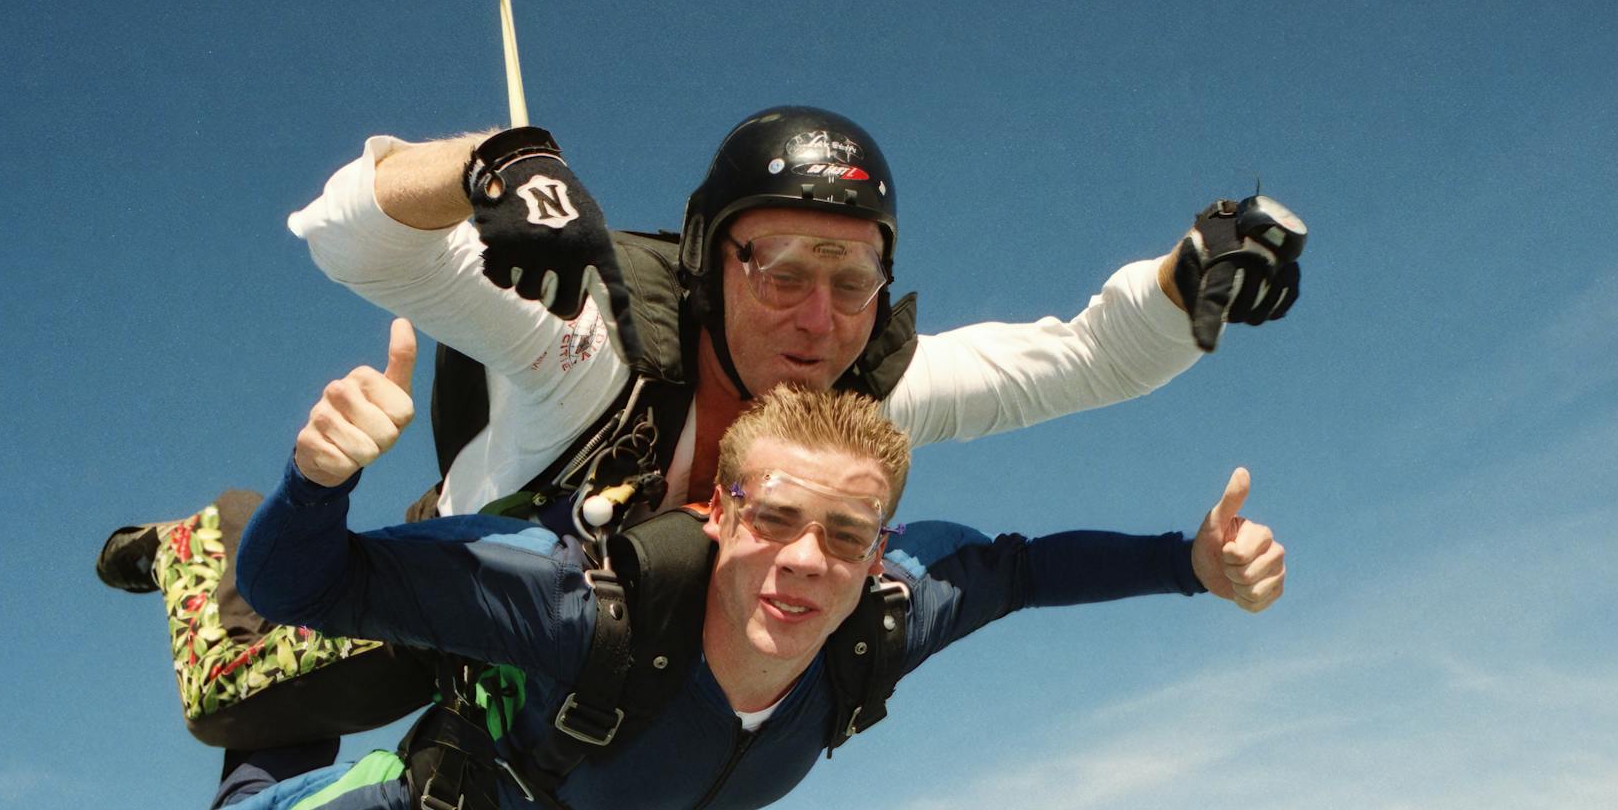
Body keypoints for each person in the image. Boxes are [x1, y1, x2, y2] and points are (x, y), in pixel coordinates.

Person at [99, 107, 1302, 749]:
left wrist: (1185, 276)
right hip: (460, 594)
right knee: (239, 701)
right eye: (777, 266)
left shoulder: (863, 403)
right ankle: (205, 536)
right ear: (703, 257)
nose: (817, 316)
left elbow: (1078, 360)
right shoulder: (585, 338)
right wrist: (489, 165)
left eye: (852, 276)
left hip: (613, 647)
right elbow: (347, 236)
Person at [179, 327, 1286, 810]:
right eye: (774, 519)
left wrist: (1186, 565)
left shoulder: (887, 614)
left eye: (846, 536)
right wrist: (315, 479)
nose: (807, 562)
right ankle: (244, 657)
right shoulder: (578, 604)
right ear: (716, 515)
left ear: (879, 542)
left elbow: (1028, 567)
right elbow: (300, 583)